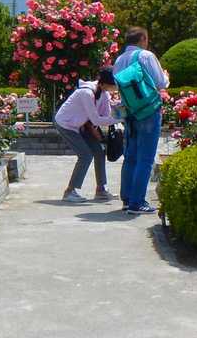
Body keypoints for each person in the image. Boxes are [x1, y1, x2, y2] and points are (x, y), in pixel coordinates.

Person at [112, 27, 169, 214]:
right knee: (145, 159)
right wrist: (166, 77)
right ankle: (137, 203)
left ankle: (127, 200)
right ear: (142, 38)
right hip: (149, 111)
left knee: (131, 157)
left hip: (130, 112)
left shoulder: (119, 59)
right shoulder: (146, 56)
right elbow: (160, 82)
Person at [52, 67, 120, 203]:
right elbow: (96, 120)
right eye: (114, 85)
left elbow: (106, 116)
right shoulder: (86, 93)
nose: (116, 87)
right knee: (85, 155)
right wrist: (121, 118)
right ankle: (69, 191)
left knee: (99, 151)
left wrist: (118, 112)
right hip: (66, 124)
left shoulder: (104, 93)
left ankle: (101, 190)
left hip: (82, 125)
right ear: (105, 83)